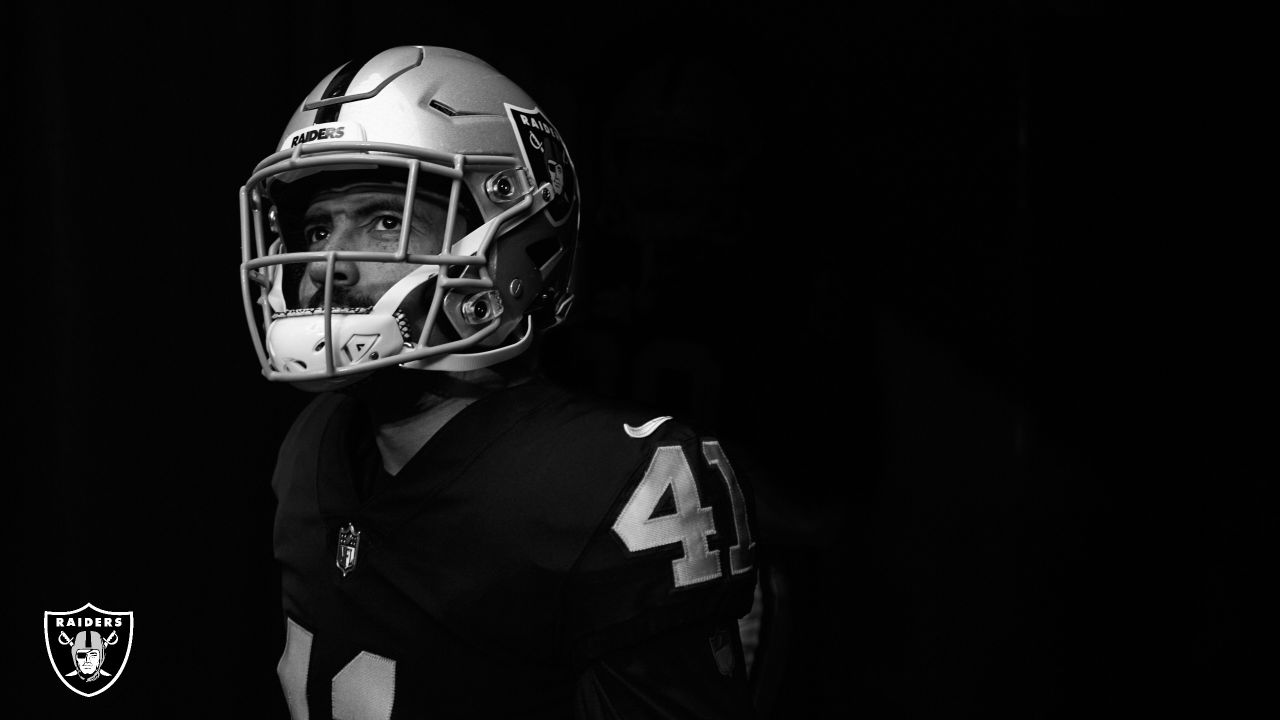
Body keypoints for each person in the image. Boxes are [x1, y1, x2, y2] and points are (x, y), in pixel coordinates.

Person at [239, 46, 759, 718]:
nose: (325, 265)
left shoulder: (616, 487)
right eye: (317, 226)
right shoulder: (314, 442)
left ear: (505, 237)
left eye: (385, 221)